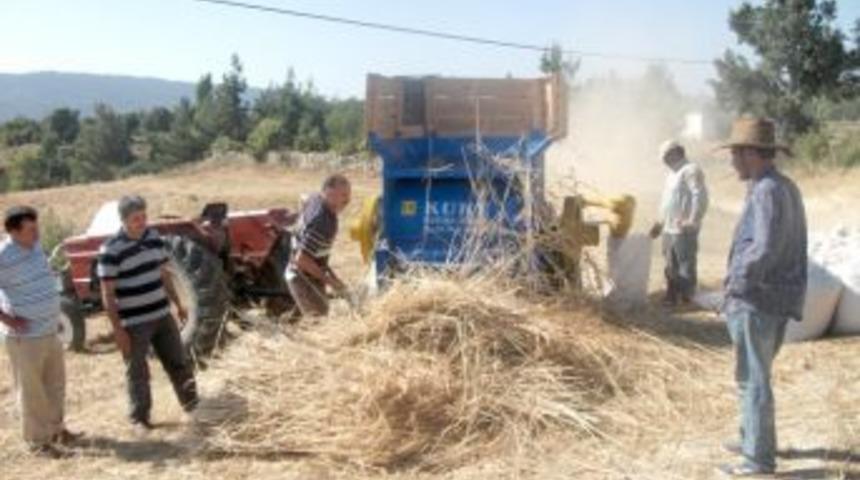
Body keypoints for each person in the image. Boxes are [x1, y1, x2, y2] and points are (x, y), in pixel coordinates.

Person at [717, 117, 807, 477]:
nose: (732, 161)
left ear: (751, 153)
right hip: (777, 298)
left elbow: (764, 248)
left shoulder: (766, 190)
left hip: (757, 299)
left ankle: (757, 460)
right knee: (753, 375)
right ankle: (752, 439)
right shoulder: (785, 186)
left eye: (735, 153)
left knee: (753, 379)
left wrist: (736, 282)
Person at [97, 195, 198, 433]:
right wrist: (118, 330)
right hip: (134, 322)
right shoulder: (111, 250)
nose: (142, 222)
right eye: (136, 219)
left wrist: (178, 304)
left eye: (144, 216)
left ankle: (193, 406)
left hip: (162, 315)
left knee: (179, 362)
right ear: (123, 220)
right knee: (138, 371)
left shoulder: (153, 238)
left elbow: (164, 274)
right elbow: (107, 294)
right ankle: (139, 419)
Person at [0, 206, 80, 457]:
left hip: (49, 330)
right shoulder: (3, 255)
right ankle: (38, 443)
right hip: (25, 338)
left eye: (37, 228)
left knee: (55, 385)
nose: (37, 234)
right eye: (31, 229)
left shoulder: (35, 247)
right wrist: (7, 319)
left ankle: (56, 430)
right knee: (32, 392)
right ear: (13, 232)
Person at [649, 140, 709, 307]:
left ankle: (687, 298)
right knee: (670, 264)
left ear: (675, 153)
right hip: (669, 228)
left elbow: (700, 196)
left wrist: (693, 220)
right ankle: (671, 296)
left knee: (685, 264)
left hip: (684, 228)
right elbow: (667, 202)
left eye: (665, 157)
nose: (664, 161)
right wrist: (659, 223)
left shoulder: (691, 170)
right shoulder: (671, 174)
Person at [285, 174, 351, 318]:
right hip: (302, 278)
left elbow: (303, 197)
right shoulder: (322, 223)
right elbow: (302, 259)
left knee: (321, 313)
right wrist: (332, 282)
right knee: (318, 320)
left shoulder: (315, 198)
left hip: (311, 272)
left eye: (348, 195)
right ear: (328, 192)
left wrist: (300, 218)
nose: (348, 200)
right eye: (343, 195)